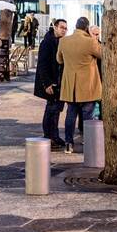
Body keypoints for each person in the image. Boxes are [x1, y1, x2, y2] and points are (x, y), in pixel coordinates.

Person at [57, 17, 102, 155]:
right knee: (88, 116)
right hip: (87, 86)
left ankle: (68, 143)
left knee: (70, 115)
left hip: (71, 86)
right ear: (87, 28)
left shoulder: (64, 41)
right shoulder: (90, 42)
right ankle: (89, 144)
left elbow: (59, 59)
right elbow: (102, 55)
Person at [34, 19, 68, 148]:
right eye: (61, 27)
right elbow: (42, 64)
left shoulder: (61, 41)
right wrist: (47, 83)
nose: (64, 30)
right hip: (50, 81)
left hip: (58, 80)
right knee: (51, 109)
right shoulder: (47, 42)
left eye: (65, 28)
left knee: (56, 109)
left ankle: (54, 135)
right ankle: (49, 136)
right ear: (55, 27)